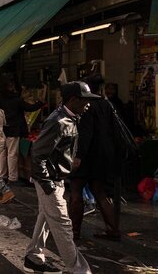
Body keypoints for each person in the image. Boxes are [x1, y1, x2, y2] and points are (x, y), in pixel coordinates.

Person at [23, 81, 99, 274]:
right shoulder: (58, 121)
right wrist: (48, 185)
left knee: (47, 218)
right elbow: (38, 154)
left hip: (56, 178)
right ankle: (80, 270)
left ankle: (33, 257)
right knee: (63, 224)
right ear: (73, 100)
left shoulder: (70, 117)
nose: (88, 104)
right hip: (50, 179)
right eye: (85, 100)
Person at [69, 75, 120, 241]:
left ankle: (74, 231)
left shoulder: (86, 105)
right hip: (104, 155)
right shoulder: (107, 105)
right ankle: (113, 229)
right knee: (100, 191)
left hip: (88, 155)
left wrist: (78, 156)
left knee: (76, 191)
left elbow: (85, 134)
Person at [0, 81, 45, 185]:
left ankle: (2, 176)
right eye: (12, 86)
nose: (14, 88)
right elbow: (31, 108)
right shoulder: (17, 100)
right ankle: (12, 178)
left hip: (2, 129)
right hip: (13, 130)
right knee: (12, 154)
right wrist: (41, 102)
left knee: (2, 153)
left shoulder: (0, 100)